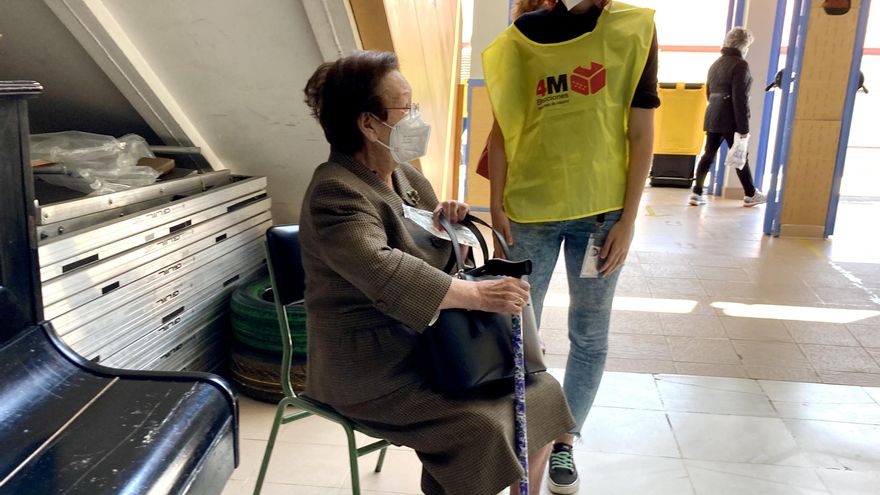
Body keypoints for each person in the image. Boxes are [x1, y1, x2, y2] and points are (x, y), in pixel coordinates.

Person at [299, 50, 575, 495]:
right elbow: (384, 269)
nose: (416, 119)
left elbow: (447, 265)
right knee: (481, 427)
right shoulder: (335, 190)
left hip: (430, 347)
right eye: (406, 110)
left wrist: (451, 228)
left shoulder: (407, 176)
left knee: (544, 395)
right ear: (368, 124)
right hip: (373, 368)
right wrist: (483, 299)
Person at [482, 0, 658, 493]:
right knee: (517, 334)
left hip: (600, 218)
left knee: (589, 333)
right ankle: (519, 438)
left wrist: (628, 217)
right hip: (529, 214)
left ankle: (562, 442)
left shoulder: (634, 30)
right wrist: (494, 204)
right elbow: (502, 130)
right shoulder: (524, 34)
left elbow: (642, 131)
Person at [688, 26, 767, 207]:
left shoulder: (715, 64)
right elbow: (739, 97)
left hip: (713, 114)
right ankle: (750, 194)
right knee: (740, 156)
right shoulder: (740, 65)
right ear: (744, 45)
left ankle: (696, 193)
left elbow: (709, 92)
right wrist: (743, 128)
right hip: (730, 117)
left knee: (708, 154)